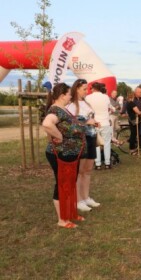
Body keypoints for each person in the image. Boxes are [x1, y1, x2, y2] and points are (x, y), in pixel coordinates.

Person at [42, 83, 91, 228]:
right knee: (63, 185)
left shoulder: (63, 109)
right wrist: (59, 136)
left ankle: (70, 213)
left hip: (70, 155)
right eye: (69, 94)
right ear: (62, 96)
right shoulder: (55, 110)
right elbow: (46, 124)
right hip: (60, 154)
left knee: (70, 184)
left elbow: (73, 124)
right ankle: (62, 220)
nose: (71, 96)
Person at [66, 79, 100, 212]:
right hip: (81, 140)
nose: (87, 91)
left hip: (91, 137)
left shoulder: (86, 103)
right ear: (77, 89)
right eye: (84, 89)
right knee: (79, 171)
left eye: (87, 89)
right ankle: (78, 199)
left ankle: (86, 197)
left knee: (87, 170)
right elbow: (71, 125)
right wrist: (87, 122)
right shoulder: (72, 105)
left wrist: (94, 122)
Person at [85, 82, 112, 170]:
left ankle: (98, 164)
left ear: (93, 88)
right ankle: (107, 163)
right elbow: (109, 107)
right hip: (105, 122)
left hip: (94, 123)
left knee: (96, 144)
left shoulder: (88, 97)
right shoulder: (105, 97)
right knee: (107, 143)